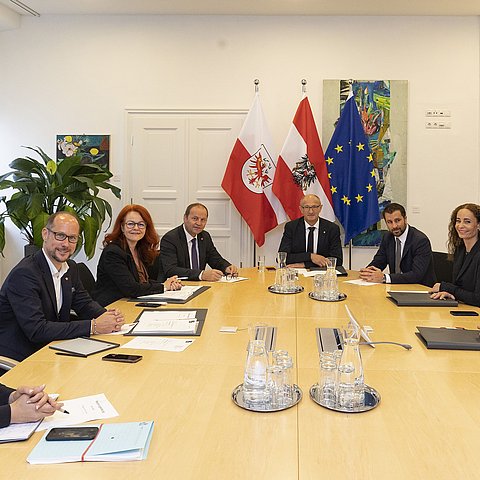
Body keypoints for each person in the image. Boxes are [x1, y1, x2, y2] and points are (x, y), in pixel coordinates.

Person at [0, 212, 125, 361]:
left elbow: (84, 304)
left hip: (53, 347)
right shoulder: (25, 274)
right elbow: (37, 330)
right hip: (23, 357)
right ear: (45, 234)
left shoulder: (70, 268)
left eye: (72, 238)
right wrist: (94, 326)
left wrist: (107, 317)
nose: (66, 244)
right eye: (60, 235)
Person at [93, 205, 182, 307]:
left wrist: (168, 284)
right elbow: (131, 288)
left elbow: (142, 281)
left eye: (141, 224)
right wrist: (163, 286)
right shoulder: (113, 253)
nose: (136, 228)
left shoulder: (139, 249)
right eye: (130, 224)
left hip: (130, 302)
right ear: (122, 227)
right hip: (111, 306)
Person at [359, 202, 436, 286]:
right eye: (389, 222)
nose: (394, 226)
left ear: (405, 219)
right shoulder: (387, 237)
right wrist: (368, 272)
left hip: (420, 290)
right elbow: (379, 261)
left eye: (397, 221)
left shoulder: (420, 240)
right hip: (395, 288)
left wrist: (385, 277)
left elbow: (416, 275)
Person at [159, 203, 239, 282]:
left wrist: (226, 267)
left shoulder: (205, 236)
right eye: (195, 218)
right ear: (185, 218)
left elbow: (215, 259)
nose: (199, 223)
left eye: (203, 220)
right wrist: (201, 274)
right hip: (177, 286)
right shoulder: (170, 239)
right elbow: (170, 270)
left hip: (199, 285)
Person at [430, 203, 480, 305]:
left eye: (467, 222)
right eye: (458, 221)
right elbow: (459, 287)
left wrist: (446, 287)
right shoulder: (460, 250)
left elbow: (477, 298)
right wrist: (448, 292)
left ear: (478, 225)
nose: (460, 226)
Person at [278, 194, 343, 268]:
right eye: (306, 207)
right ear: (301, 209)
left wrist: (304, 265)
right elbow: (282, 257)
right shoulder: (291, 227)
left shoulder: (332, 228)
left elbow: (337, 260)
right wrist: (310, 256)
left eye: (314, 207)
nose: (311, 211)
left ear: (320, 208)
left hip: (322, 274)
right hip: (297, 274)